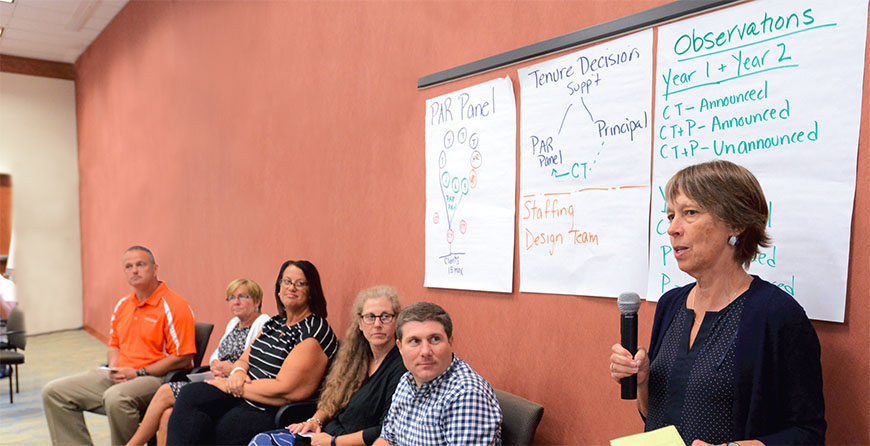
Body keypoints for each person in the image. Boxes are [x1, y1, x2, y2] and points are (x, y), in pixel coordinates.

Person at [609, 160, 825, 445]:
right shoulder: (671, 304)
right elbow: (657, 416)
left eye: (690, 213)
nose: (673, 228)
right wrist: (643, 383)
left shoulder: (776, 315)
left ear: (735, 223)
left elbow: (808, 434)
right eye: (670, 216)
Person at [167, 260, 338, 445]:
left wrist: (232, 387)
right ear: (279, 287)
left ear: (312, 291)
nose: (292, 288)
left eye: (300, 283)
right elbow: (244, 359)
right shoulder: (275, 322)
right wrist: (238, 372)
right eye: (287, 281)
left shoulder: (313, 331)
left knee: (225, 426)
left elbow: (286, 390)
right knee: (191, 394)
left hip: (268, 407)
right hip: (242, 393)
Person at [42, 246, 196, 446]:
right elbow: (114, 345)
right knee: (54, 392)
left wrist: (138, 372)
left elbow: (182, 357)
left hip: (155, 378)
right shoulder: (123, 305)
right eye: (128, 266)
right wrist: (115, 369)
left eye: (140, 264)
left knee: (116, 398)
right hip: (121, 374)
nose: (134, 270)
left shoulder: (174, 306)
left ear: (155, 268)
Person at [250, 285, 407, 446]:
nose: (377, 324)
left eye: (385, 316)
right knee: (262, 441)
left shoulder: (402, 367)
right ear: (360, 323)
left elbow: (385, 430)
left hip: (344, 442)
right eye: (370, 317)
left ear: (397, 321)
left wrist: (334, 442)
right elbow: (334, 399)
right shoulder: (357, 356)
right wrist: (315, 421)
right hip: (325, 436)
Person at [127, 278, 271, 446]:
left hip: (234, 389)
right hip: (216, 380)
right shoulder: (234, 324)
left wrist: (231, 369)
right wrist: (216, 364)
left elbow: (255, 363)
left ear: (257, 301)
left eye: (242, 297)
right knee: (167, 414)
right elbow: (217, 354)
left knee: (166, 391)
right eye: (231, 298)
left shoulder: (264, 323)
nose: (236, 302)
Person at [375, 301, 502, 446]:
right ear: (400, 347)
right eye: (415, 341)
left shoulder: (466, 394)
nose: (425, 352)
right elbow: (388, 438)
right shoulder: (407, 380)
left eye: (435, 339)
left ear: (450, 341)